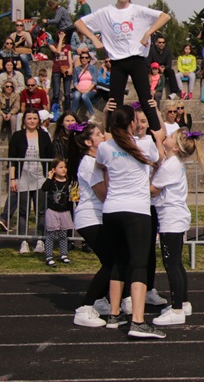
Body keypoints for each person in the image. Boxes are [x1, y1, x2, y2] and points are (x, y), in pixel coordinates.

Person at [97, 105, 165, 339]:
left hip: (111, 209)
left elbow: (101, 165)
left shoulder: (105, 147)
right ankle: (137, 320)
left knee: (119, 261)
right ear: (132, 123)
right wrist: (157, 136)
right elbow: (159, 158)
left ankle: (114, 315)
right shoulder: (144, 144)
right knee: (138, 265)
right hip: (136, 210)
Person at [75, 0, 170, 132]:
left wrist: (148, 32)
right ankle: (114, 135)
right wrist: (94, 39)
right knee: (114, 103)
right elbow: (79, 23)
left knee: (146, 100)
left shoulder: (137, 10)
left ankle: (156, 135)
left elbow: (165, 16)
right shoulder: (106, 12)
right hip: (117, 62)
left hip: (137, 59)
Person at [150, 128, 204, 326]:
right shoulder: (174, 163)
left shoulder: (171, 164)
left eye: (171, 136)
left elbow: (153, 190)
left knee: (171, 263)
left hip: (171, 218)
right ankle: (183, 302)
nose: (167, 136)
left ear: (175, 146)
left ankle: (177, 309)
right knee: (177, 263)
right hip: (175, 216)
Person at [66, 121, 110, 327]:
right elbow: (103, 195)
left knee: (114, 261)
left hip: (99, 217)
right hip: (90, 218)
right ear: (88, 141)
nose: (103, 136)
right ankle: (85, 308)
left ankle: (100, 301)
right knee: (112, 262)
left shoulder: (96, 161)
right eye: (99, 134)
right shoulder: (88, 164)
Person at [8, 110, 53, 255]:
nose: (32, 121)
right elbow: (12, 160)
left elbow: (50, 157)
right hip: (23, 178)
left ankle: (40, 240)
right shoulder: (17, 136)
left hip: (40, 178)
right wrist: (12, 179)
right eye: (29, 118)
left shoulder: (44, 136)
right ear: (24, 120)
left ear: (38, 120)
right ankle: (23, 241)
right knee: (23, 211)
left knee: (41, 210)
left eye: (35, 118)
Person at [39, 157, 73, 267]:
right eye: (60, 167)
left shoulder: (68, 182)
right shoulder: (52, 182)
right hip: (53, 211)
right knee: (51, 234)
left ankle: (64, 254)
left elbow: (73, 197)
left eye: (65, 167)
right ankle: (49, 256)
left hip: (64, 212)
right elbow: (44, 188)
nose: (63, 169)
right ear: (54, 169)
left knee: (63, 234)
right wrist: (49, 177)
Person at [148, 35, 181, 101]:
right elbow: (148, 62)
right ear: (156, 43)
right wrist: (156, 68)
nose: (161, 44)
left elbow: (169, 64)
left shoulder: (168, 51)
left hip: (164, 69)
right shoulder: (151, 50)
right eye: (159, 42)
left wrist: (164, 68)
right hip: (154, 69)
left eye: (163, 42)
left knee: (171, 71)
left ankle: (174, 92)